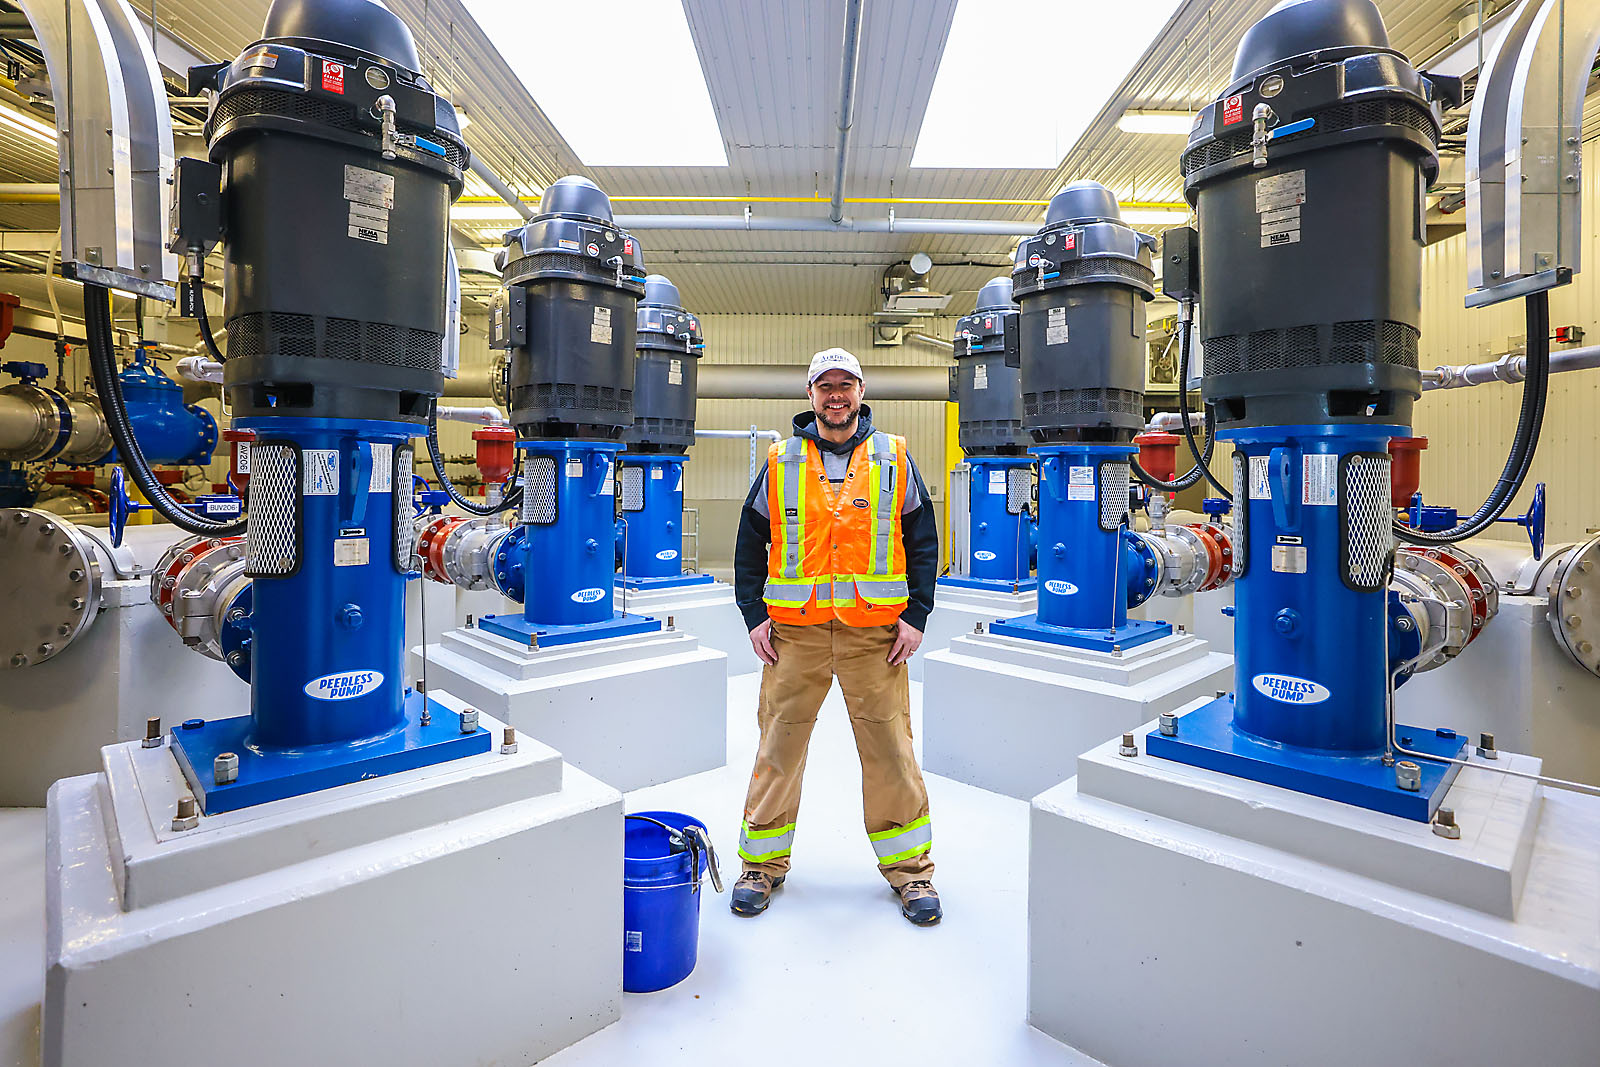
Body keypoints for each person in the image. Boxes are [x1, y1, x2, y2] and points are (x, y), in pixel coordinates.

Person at [729, 346, 942, 925]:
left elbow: (923, 540)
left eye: (846, 385)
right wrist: (753, 613)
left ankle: (911, 875)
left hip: (875, 637)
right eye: (826, 386)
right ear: (811, 396)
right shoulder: (779, 461)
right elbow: (750, 543)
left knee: (891, 753)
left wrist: (916, 614)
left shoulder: (894, 458)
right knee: (778, 750)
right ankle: (761, 868)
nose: (836, 396)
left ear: (861, 392)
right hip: (793, 638)